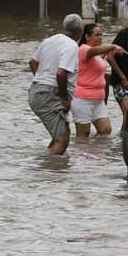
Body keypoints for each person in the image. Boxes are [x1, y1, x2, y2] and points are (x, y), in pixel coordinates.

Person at [28, 14, 83, 155]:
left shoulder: (50, 40)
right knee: (62, 140)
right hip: (50, 94)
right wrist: (65, 98)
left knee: (60, 136)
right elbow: (61, 73)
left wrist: (41, 80)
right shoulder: (72, 46)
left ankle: (49, 168)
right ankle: (47, 173)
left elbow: (33, 62)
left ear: (64, 27)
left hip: (37, 90)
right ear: (80, 32)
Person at [73, 23, 126, 138]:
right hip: (83, 98)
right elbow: (95, 51)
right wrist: (113, 46)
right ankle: (80, 155)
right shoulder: (84, 49)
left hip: (98, 99)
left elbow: (100, 55)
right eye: (97, 35)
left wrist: (111, 51)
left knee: (105, 130)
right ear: (87, 37)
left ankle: (96, 154)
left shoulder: (97, 54)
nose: (100, 37)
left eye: (101, 35)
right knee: (83, 135)